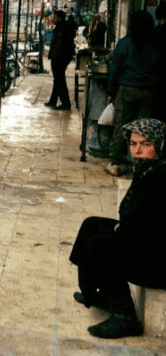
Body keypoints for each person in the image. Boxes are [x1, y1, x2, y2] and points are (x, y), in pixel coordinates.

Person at [69, 118, 166, 339]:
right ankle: (95, 292)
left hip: (158, 262)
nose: (138, 150)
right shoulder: (148, 168)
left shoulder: (159, 177)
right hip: (145, 241)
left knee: (102, 245)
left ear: (159, 145)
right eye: (133, 144)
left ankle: (126, 318)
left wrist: (118, 232)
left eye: (146, 144)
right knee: (91, 224)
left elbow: (146, 228)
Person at [104, 10, 160, 176]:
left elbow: (114, 68)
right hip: (149, 92)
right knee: (143, 130)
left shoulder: (126, 43)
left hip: (127, 90)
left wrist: (110, 90)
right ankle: (140, 165)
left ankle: (115, 162)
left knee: (122, 127)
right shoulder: (156, 45)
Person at [44, 9, 75, 110]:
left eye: (54, 17)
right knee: (58, 80)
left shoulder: (62, 28)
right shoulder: (62, 27)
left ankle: (66, 103)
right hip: (61, 57)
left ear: (59, 18)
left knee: (59, 80)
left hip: (60, 57)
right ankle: (53, 101)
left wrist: (54, 57)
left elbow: (59, 45)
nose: (53, 19)